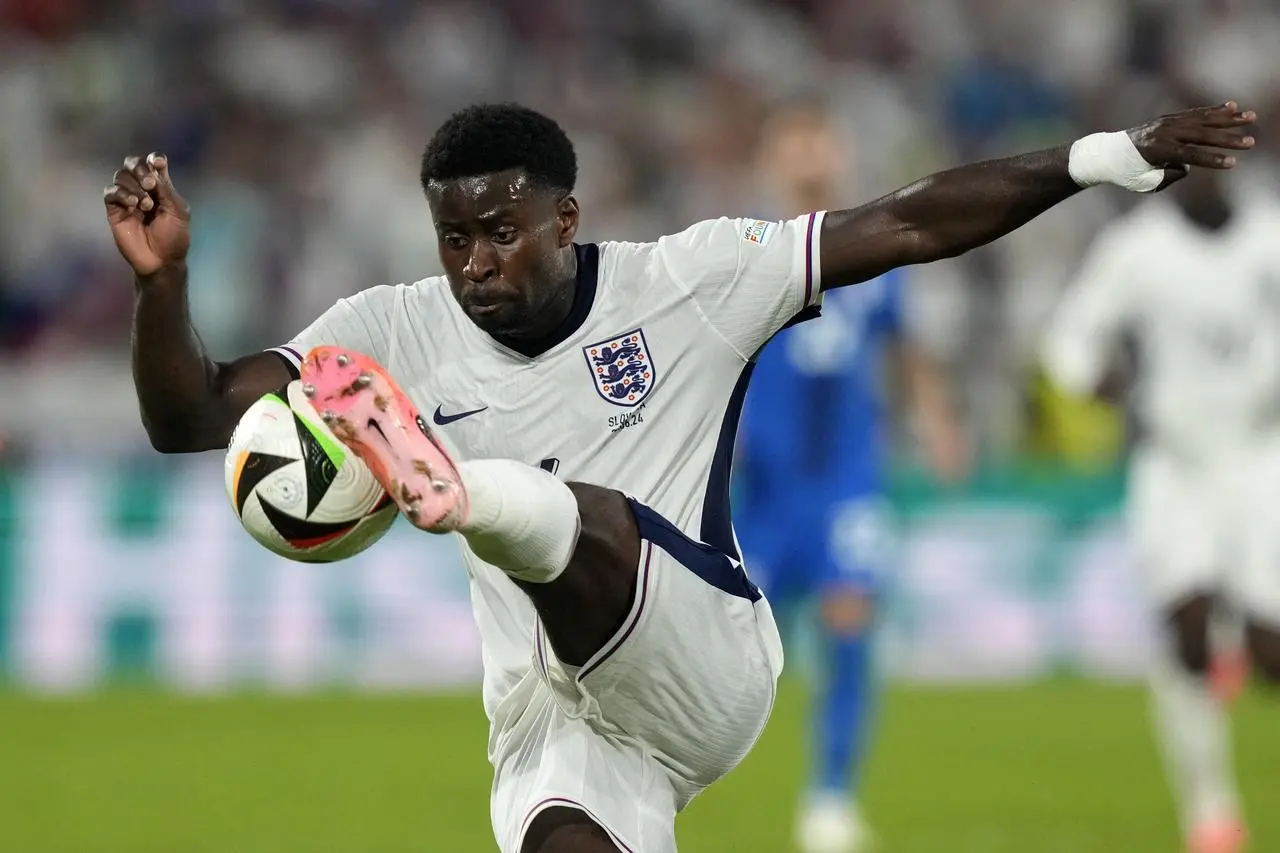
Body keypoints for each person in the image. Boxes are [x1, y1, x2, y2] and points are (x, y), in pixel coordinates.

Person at [104, 100, 1255, 853]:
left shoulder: (689, 281)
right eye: (452, 240)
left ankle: (464, 497)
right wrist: (163, 284)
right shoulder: (385, 333)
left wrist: (1101, 159)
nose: (473, 265)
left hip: (697, 644)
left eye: (501, 232)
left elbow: (905, 224)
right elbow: (191, 416)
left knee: (573, 517)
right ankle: (474, 503)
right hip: (554, 718)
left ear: (566, 217)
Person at [734, 102, 966, 853]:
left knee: (850, 621)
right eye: (795, 146)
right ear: (774, 159)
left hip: (845, 481)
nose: (810, 159)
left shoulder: (875, 249)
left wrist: (936, 420)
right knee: (732, 650)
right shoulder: (745, 253)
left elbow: (908, 348)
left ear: (837, 154)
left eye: (819, 144)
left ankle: (830, 797)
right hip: (761, 484)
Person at [1041, 164, 1280, 853]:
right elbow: (1067, 342)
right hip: (1173, 463)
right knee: (1188, 625)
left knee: (1271, 654)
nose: (1204, 174)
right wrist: (1100, 379)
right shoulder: (1136, 249)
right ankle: (1210, 807)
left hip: (1261, 458)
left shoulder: (1269, 235)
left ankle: (1246, 638)